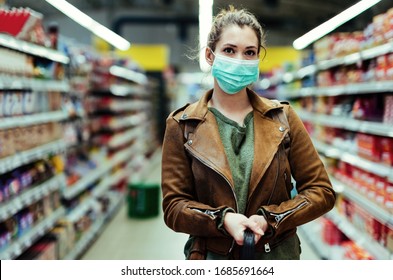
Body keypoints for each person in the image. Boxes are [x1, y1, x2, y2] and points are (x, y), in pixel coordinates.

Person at [161, 5, 336, 260]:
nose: (239, 60)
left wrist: (271, 219)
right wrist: (221, 220)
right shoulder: (182, 124)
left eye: (249, 52)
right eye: (229, 50)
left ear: (257, 59)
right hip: (213, 256)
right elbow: (174, 207)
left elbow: (321, 191)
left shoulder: (282, 118)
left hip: (275, 256)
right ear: (210, 56)